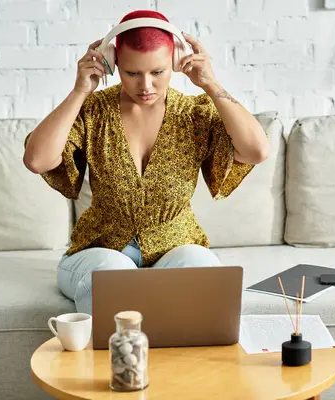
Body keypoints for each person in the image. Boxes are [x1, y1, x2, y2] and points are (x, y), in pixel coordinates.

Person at [22, 10, 269, 314]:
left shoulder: (195, 113)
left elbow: (257, 150)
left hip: (175, 248)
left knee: (204, 271)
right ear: (113, 64)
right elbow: (37, 160)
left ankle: (193, 361)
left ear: (178, 61)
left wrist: (211, 84)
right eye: (133, 73)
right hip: (101, 251)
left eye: (157, 72)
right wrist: (80, 90)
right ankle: (112, 360)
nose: (146, 86)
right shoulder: (93, 110)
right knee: (110, 275)